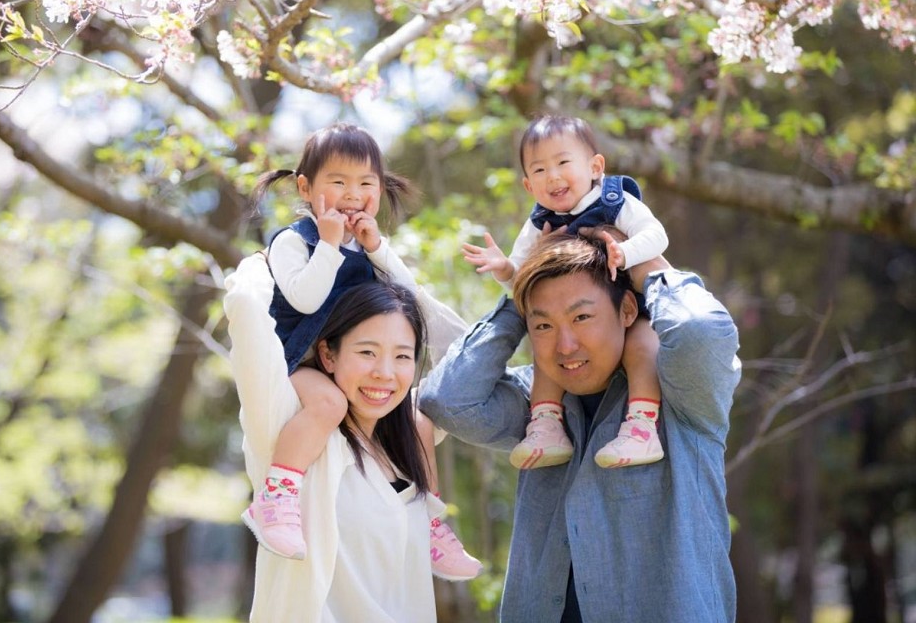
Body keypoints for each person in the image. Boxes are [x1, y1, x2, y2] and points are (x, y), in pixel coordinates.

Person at [420, 232, 741, 622]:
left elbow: (700, 331)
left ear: (626, 310)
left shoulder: (682, 394)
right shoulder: (539, 408)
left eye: (581, 317)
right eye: (544, 326)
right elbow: (448, 400)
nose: (565, 345)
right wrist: (519, 299)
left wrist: (643, 263)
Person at [245, 123, 480, 580]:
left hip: (352, 364)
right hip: (300, 359)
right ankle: (276, 496)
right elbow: (306, 300)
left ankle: (428, 518)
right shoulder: (294, 241)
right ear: (306, 188)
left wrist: (377, 249)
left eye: (365, 183)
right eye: (338, 182)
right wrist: (329, 244)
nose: (353, 194)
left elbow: (409, 300)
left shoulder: (368, 246)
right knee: (329, 405)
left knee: (419, 418)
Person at [225, 255, 452, 621]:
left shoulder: (411, 439)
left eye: (402, 356)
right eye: (367, 352)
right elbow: (246, 304)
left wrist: (381, 257)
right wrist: (269, 260)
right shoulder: (291, 426)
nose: (385, 373)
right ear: (328, 355)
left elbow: (466, 352)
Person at [462, 115, 670, 470]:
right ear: (528, 185)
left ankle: (641, 427)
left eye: (562, 163)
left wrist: (625, 252)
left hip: (631, 307)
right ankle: (546, 425)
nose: (553, 176)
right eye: (540, 170)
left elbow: (657, 236)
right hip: (575, 318)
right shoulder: (538, 222)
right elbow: (522, 281)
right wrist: (506, 270)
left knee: (642, 346)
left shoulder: (615, 201)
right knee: (548, 350)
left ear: (595, 167)